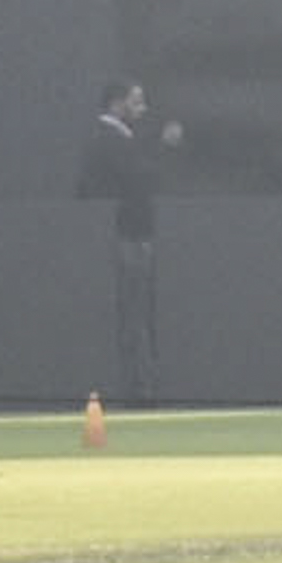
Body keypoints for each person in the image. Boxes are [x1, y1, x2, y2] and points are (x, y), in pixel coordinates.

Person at [81, 80, 180, 404]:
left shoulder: (121, 141)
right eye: (136, 101)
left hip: (133, 240)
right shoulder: (108, 141)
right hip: (127, 240)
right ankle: (137, 389)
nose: (143, 108)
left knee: (137, 316)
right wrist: (164, 147)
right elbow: (138, 179)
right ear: (116, 103)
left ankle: (140, 385)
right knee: (133, 317)